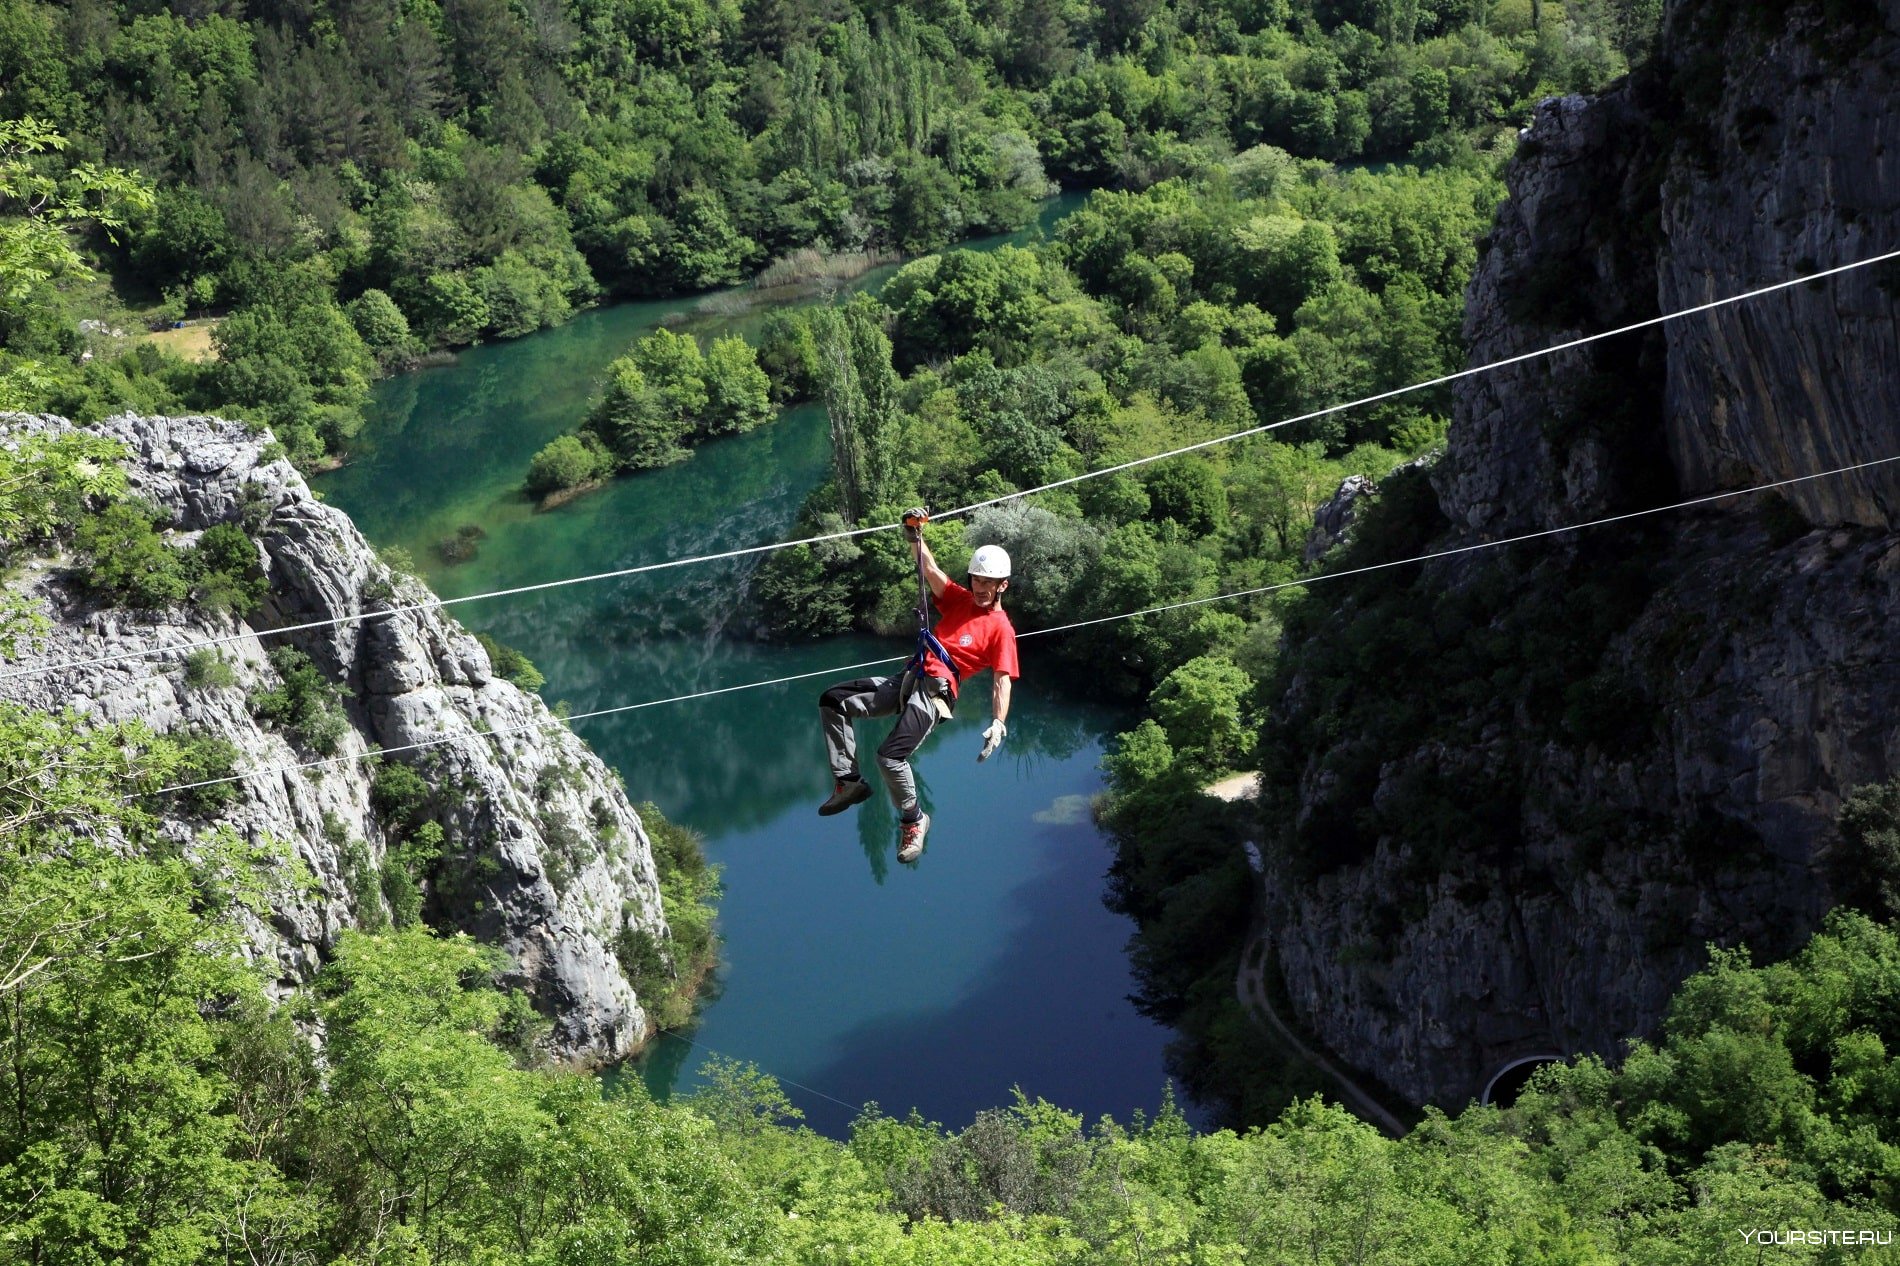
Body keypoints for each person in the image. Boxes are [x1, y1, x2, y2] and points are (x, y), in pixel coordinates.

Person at [816, 512, 1019, 863]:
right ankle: (848, 781)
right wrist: (913, 534)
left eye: (989, 582)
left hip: (936, 693)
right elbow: (929, 568)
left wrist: (999, 722)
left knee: (890, 757)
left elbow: (1002, 679)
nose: (981, 588)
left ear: (1003, 585)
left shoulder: (1001, 629)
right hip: (909, 679)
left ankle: (914, 820)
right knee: (834, 701)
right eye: (977, 580)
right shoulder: (959, 600)